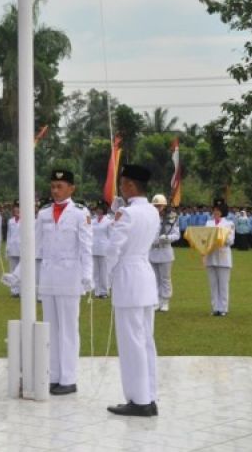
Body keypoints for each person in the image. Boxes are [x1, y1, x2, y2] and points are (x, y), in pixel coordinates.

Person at [104, 164, 159, 417]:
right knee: (146, 340)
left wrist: (106, 277)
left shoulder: (127, 214)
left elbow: (114, 249)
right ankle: (149, 394)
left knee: (131, 343)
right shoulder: (152, 211)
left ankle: (138, 400)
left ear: (129, 186)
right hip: (145, 275)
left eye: (123, 183)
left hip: (128, 277)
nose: (121, 188)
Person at [36, 169, 93, 396]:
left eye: (60, 186)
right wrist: (19, 273)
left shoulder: (80, 213)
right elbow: (33, 244)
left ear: (72, 188)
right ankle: (54, 376)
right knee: (51, 329)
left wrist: (88, 275)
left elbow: (87, 247)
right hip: (48, 277)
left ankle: (69, 378)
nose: (55, 190)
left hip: (70, 276)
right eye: (53, 186)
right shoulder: (44, 213)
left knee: (69, 329)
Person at [149, 195, 180, 312]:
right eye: (155, 206)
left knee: (165, 279)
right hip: (152, 251)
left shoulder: (171, 218)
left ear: (164, 206)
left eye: (159, 206)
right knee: (155, 279)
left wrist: (167, 237)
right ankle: (156, 301)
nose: (157, 208)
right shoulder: (150, 218)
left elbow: (177, 235)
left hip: (165, 250)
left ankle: (165, 301)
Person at [204, 199, 235, 317]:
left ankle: (223, 308)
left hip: (223, 256)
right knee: (213, 284)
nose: (216, 212)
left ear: (223, 212)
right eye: (215, 210)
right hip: (211, 256)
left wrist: (220, 236)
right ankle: (215, 307)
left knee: (223, 284)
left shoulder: (229, 223)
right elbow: (205, 239)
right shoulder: (208, 223)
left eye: (219, 210)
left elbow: (231, 241)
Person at [91, 200, 111, 298]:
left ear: (104, 210)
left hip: (104, 249)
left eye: (100, 209)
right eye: (97, 209)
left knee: (104, 272)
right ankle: (97, 290)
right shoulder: (93, 221)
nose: (98, 211)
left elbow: (110, 235)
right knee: (95, 272)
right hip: (94, 248)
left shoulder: (108, 221)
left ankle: (104, 291)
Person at [5, 200, 21, 298]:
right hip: (12, 247)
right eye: (15, 207)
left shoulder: (28, 219)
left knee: (21, 270)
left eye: (18, 207)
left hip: (22, 248)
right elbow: (8, 235)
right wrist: (7, 247)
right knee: (12, 270)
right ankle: (14, 290)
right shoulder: (10, 221)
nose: (16, 209)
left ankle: (21, 289)